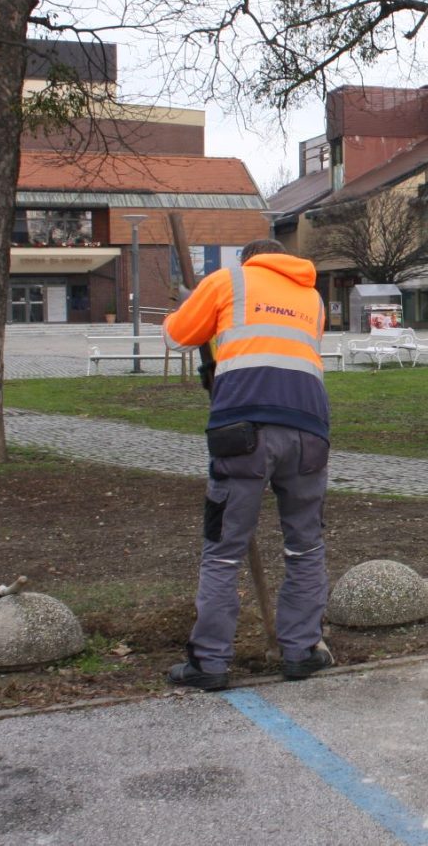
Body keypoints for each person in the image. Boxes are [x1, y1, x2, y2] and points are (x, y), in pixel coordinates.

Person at [162, 239, 333, 690]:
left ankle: (210, 662)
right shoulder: (312, 297)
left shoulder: (228, 281)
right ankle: (301, 651)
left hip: (243, 431)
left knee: (223, 550)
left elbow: (177, 336)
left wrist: (189, 306)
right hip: (309, 431)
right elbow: (277, 351)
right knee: (306, 546)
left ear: (248, 259)